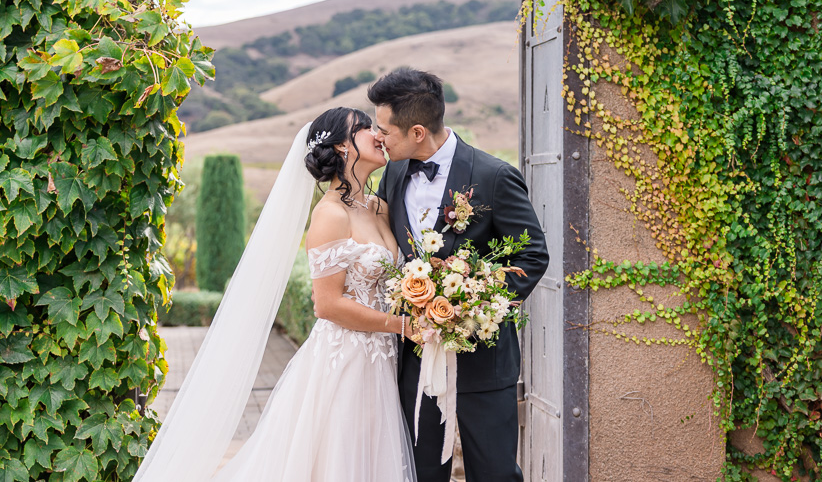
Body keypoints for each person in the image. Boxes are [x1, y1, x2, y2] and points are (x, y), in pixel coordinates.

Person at [132, 107, 416, 482]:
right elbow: (327, 304)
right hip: (345, 360)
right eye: (365, 128)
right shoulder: (330, 215)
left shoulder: (378, 206)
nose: (378, 135)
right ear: (342, 147)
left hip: (381, 358)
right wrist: (402, 325)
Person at [365, 68, 549, 482]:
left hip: (483, 362)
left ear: (416, 131)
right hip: (416, 361)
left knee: (495, 474)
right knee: (421, 473)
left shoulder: (493, 176)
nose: (378, 138)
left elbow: (533, 255)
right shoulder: (393, 173)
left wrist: (473, 302)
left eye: (384, 131)